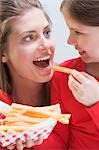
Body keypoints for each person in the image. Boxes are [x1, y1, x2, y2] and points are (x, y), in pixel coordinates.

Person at [0, 0, 56, 149]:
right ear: (3, 53)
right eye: (29, 37)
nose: (46, 45)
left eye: (46, 33)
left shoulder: (76, 87)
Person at [49, 0, 99, 149]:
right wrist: (36, 137)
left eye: (78, 32)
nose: (70, 41)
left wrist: (95, 102)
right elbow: (59, 140)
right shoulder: (62, 77)